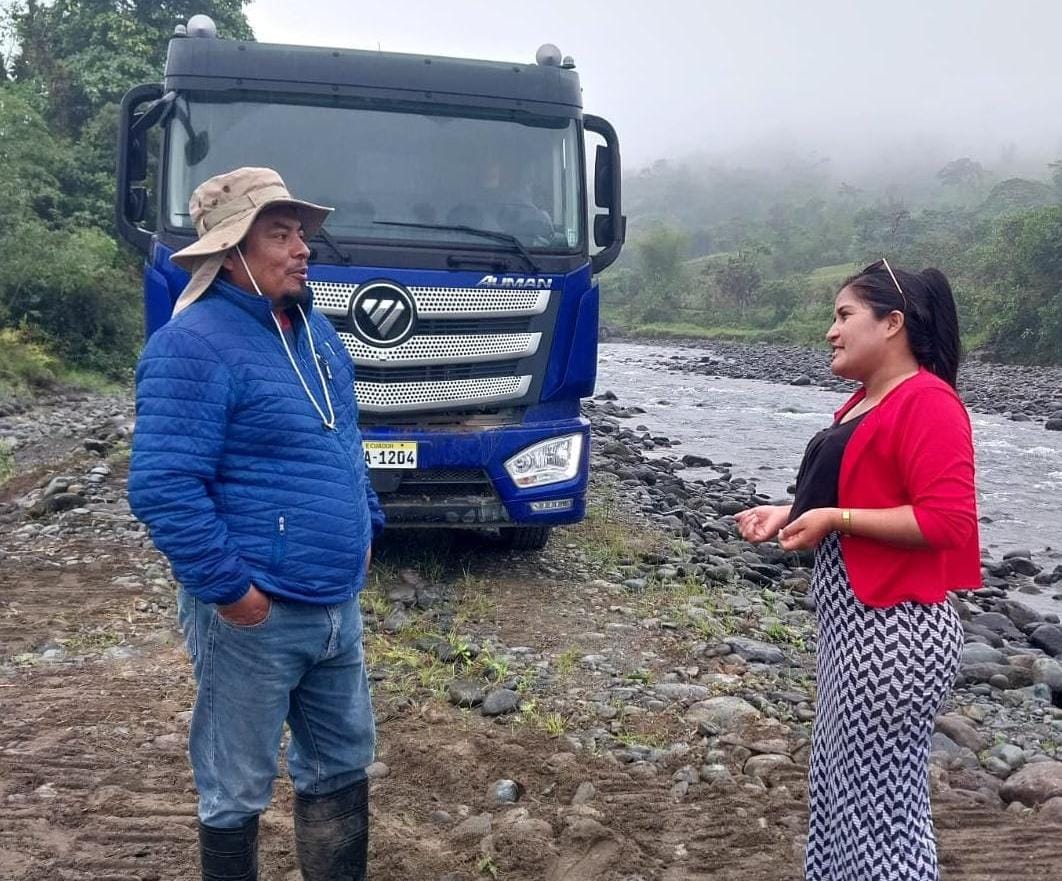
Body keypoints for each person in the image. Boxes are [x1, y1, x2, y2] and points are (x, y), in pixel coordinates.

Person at [128, 167, 384, 881]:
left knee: (341, 765)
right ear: (231, 249)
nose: (302, 248)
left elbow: (344, 439)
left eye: (300, 233)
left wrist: (366, 525)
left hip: (335, 606)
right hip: (254, 614)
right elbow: (163, 485)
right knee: (235, 786)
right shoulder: (192, 345)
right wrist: (232, 593)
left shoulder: (314, 332)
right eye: (280, 234)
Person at [735, 259, 981, 881]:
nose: (831, 331)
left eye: (844, 315)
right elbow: (857, 493)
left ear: (892, 323)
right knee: (838, 793)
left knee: (880, 815)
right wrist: (792, 512)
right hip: (853, 628)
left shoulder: (930, 402)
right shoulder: (865, 402)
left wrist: (836, 518)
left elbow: (946, 521)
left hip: (896, 631)